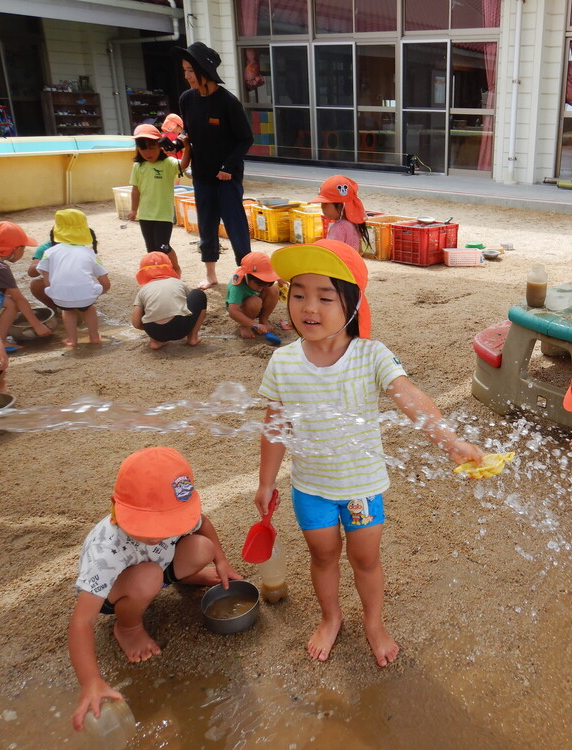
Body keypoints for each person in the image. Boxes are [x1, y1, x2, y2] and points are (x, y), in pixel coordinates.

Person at [255, 238, 485, 666]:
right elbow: (275, 425)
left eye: (325, 297)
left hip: (361, 488)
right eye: (299, 294)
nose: (309, 308)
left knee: (365, 558)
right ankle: (330, 616)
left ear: (353, 304)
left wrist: (449, 440)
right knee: (322, 555)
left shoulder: (371, 355)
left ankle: (374, 623)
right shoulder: (283, 363)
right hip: (311, 489)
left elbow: (409, 395)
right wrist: (266, 481)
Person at [68, 446, 240, 732]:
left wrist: (221, 560)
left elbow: (203, 525)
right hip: (117, 591)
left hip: (158, 567)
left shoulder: (171, 513)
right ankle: (128, 626)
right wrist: (90, 682)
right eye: (151, 525)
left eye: (169, 524)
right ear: (116, 507)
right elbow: (81, 621)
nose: (161, 533)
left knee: (203, 548)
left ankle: (182, 578)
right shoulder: (105, 551)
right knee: (148, 576)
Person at [173, 42, 253, 290]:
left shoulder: (228, 102)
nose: (186, 76)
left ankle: (246, 273)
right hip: (202, 175)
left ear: (203, 71)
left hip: (227, 178)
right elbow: (190, 130)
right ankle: (210, 275)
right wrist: (182, 139)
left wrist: (229, 166)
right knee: (206, 225)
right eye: (184, 70)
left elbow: (245, 138)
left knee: (235, 225)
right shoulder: (186, 100)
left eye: (189, 70)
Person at [36, 209, 111, 348]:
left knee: (67, 310)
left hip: (60, 296)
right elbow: (105, 282)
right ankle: (94, 336)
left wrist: (52, 291)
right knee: (89, 308)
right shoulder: (89, 253)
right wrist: (99, 292)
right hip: (86, 296)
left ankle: (72, 340)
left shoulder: (49, 252)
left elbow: (46, 279)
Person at [126, 123, 188, 275]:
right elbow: (136, 189)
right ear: (138, 149)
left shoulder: (168, 163)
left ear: (160, 145)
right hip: (146, 215)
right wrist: (134, 209)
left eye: (152, 147)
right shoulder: (138, 167)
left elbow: (184, 165)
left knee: (163, 246)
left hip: (163, 215)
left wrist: (187, 147)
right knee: (151, 248)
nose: (148, 152)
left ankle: (175, 268)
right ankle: (157, 272)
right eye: (143, 148)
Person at [132, 251, 207, 349]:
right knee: (198, 294)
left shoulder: (143, 290)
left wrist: (150, 329)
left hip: (155, 331)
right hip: (180, 328)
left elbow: (136, 323)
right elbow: (189, 304)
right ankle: (193, 337)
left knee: (149, 306)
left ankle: (156, 341)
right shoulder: (178, 283)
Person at [226, 251, 281, 339]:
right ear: (248, 276)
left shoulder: (260, 282)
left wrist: (276, 279)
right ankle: (245, 326)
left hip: (256, 301)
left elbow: (270, 278)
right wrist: (253, 324)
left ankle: (263, 319)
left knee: (273, 289)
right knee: (255, 302)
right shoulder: (237, 287)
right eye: (260, 284)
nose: (264, 286)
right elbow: (233, 311)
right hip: (242, 309)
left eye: (269, 282)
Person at [313, 175, 370, 254]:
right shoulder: (352, 224)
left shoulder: (338, 228)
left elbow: (331, 254)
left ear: (340, 205)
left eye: (325, 203)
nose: (322, 207)